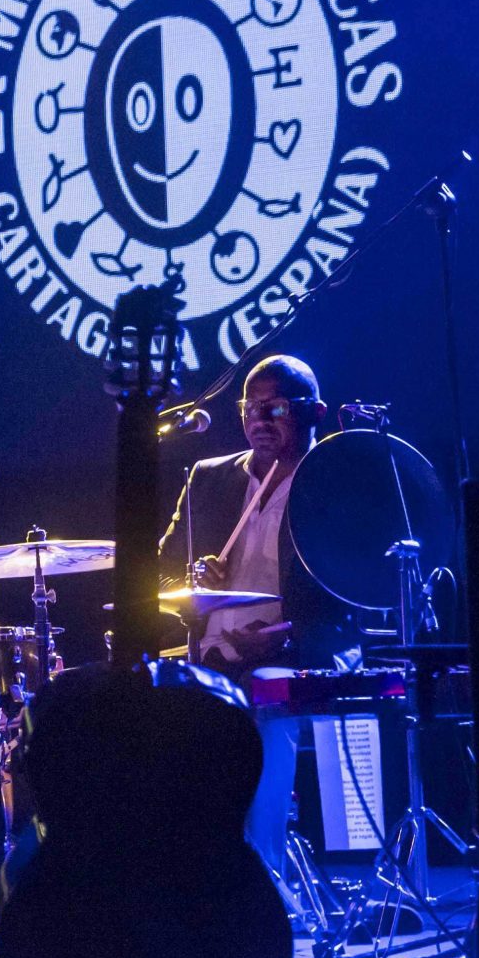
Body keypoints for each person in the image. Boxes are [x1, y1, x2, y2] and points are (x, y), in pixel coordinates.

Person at [160, 354, 354, 882]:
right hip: (213, 655)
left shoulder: (335, 484)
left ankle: (260, 879)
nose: (258, 422)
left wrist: (281, 637)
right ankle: (184, 877)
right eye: (250, 408)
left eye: (275, 410)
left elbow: (352, 598)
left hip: (296, 651)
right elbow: (162, 578)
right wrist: (193, 581)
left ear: (314, 413)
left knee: (266, 695)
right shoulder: (208, 479)